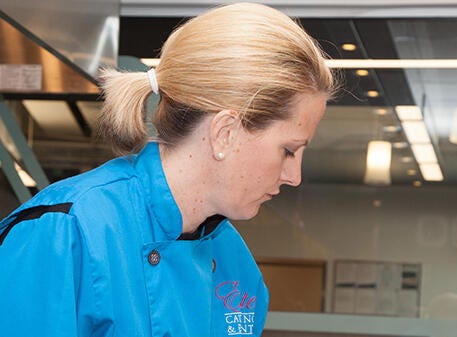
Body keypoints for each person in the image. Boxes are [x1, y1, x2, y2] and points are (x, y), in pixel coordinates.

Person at [0, 3, 336, 336]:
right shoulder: (65, 233)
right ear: (225, 133)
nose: (295, 176)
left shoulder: (237, 267)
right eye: (289, 150)